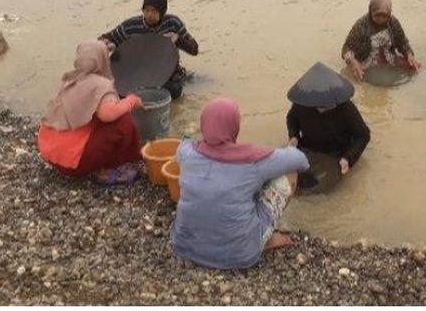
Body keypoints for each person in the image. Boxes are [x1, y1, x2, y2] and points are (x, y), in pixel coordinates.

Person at [171, 97, 309, 269]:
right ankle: (264, 238)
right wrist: (285, 147)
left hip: (185, 247)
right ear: (235, 126)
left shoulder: (187, 152)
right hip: (239, 254)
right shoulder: (252, 160)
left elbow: (183, 147)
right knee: (289, 173)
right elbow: (301, 161)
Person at [37, 40, 143, 184]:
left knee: (103, 118)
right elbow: (107, 114)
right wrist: (131, 101)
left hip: (51, 155)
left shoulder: (69, 80)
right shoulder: (101, 85)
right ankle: (108, 171)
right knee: (123, 120)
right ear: (103, 59)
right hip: (75, 164)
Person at [99, 0, 198, 99]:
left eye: (154, 11)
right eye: (146, 10)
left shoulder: (173, 23)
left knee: (175, 91)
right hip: (139, 75)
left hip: (167, 75)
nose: (149, 15)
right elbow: (104, 39)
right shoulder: (130, 27)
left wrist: (178, 40)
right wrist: (110, 46)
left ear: (162, 11)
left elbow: (194, 50)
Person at [286, 62, 370, 178]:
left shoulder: (346, 107)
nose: (331, 106)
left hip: (337, 151)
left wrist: (348, 158)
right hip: (310, 146)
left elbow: (363, 135)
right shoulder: (302, 104)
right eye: (325, 106)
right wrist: (294, 136)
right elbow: (291, 119)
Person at [342, 0, 421, 81]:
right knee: (352, 77)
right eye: (377, 15)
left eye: (385, 16)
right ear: (370, 12)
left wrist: (408, 54)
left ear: (389, 14)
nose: (381, 19)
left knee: (416, 68)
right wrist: (353, 62)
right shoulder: (361, 25)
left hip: (388, 57)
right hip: (366, 60)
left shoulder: (393, 22)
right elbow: (346, 49)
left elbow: (402, 42)